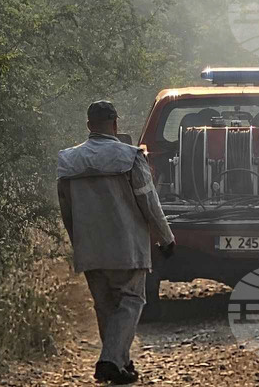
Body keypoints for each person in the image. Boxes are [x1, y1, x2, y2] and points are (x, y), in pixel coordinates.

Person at [57, 100, 176, 385]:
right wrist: (166, 238)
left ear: (89, 125)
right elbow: (149, 202)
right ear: (115, 124)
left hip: (90, 249)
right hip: (127, 248)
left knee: (106, 307)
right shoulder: (131, 157)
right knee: (131, 301)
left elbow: (66, 211)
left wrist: (78, 243)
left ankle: (120, 364)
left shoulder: (68, 161)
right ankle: (110, 360)